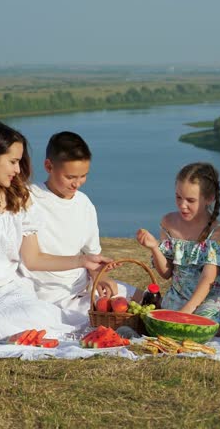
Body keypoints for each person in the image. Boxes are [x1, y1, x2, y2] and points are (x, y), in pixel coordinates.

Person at [0, 121, 111, 345]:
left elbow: (33, 259)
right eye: (13, 162)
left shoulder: (19, 198)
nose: (18, 170)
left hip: (12, 292)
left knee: (45, 319)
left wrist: (83, 261)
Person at [25, 131, 142, 329]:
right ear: (48, 166)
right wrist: (83, 263)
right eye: (70, 177)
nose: (77, 183)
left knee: (143, 298)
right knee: (108, 321)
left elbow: (92, 257)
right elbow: (33, 260)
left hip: (84, 288)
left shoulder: (84, 204)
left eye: (83, 176)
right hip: (49, 295)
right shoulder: (29, 198)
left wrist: (102, 278)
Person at [136, 162, 220, 334]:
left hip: (207, 300)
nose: (182, 205)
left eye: (190, 200)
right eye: (178, 197)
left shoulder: (217, 233)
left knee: (199, 330)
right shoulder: (168, 222)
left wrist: (186, 312)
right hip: (177, 298)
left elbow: (208, 279)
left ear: (209, 198)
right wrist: (154, 247)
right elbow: (166, 273)